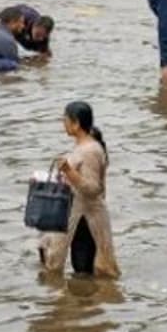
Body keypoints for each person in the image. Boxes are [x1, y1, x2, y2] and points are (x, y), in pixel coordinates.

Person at [38, 101, 120, 278]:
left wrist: (68, 170)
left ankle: (85, 294)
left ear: (76, 124)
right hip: (76, 215)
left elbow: (93, 189)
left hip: (86, 219)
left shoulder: (90, 151)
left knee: (86, 269)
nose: (63, 123)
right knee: (77, 266)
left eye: (66, 120)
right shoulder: (83, 147)